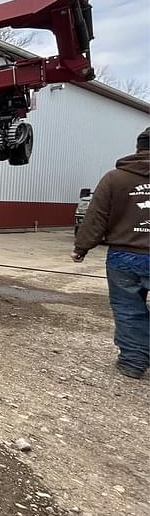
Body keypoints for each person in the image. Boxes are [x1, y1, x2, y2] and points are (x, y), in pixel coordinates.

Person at [73, 127, 150, 378]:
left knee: (128, 309)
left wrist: (82, 247)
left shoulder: (115, 178)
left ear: (138, 148)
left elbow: (96, 217)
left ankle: (133, 362)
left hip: (123, 257)